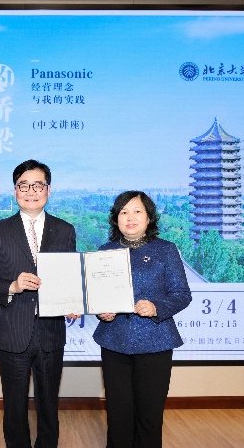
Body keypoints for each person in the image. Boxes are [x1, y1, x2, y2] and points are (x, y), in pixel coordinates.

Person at [0, 159, 77, 448]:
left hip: (51, 333)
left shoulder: (64, 229)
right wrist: (13, 286)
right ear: (15, 190)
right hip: (11, 332)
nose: (31, 191)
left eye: (38, 185)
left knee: (49, 405)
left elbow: (70, 276)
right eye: (24, 185)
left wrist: (73, 301)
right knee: (14, 407)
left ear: (48, 190)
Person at [93, 191, 192, 448]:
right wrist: (101, 310)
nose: (130, 217)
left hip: (155, 341)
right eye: (124, 212)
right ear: (116, 219)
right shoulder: (105, 252)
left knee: (149, 414)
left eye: (137, 211)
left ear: (149, 218)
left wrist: (157, 307)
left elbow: (182, 294)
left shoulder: (166, 250)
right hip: (114, 341)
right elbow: (96, 295)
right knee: (118, 413)